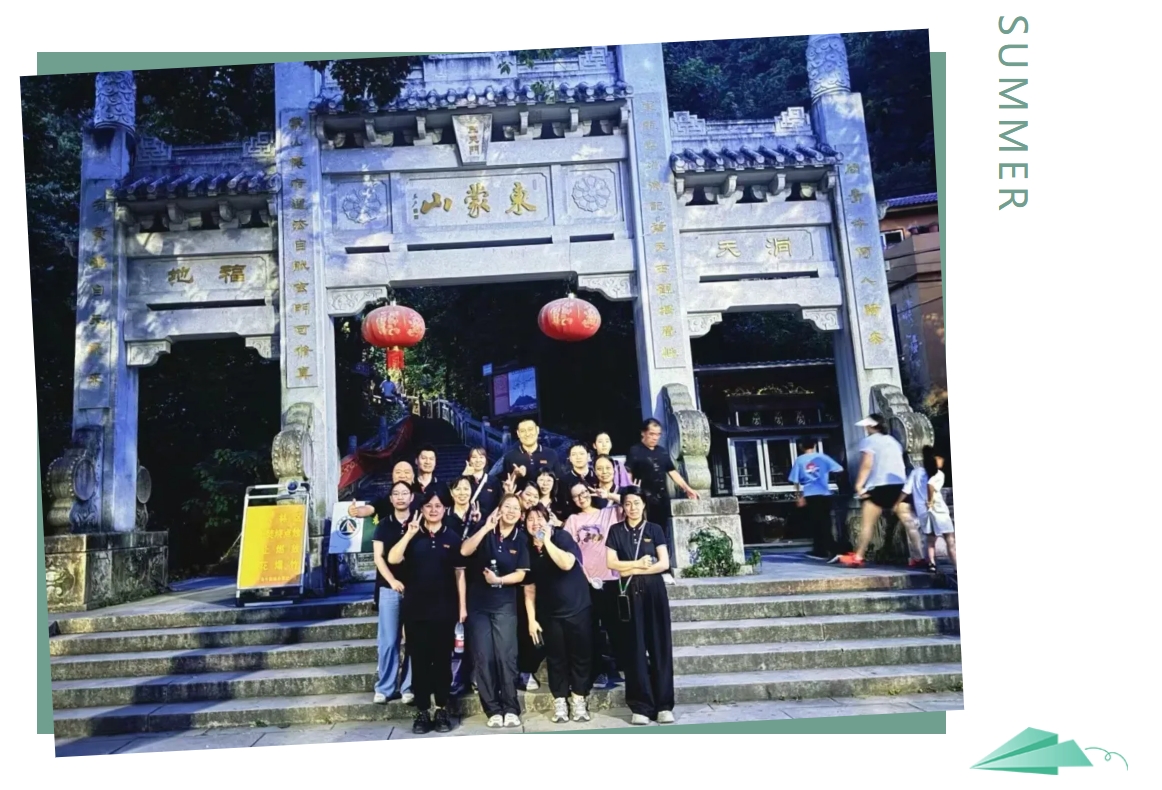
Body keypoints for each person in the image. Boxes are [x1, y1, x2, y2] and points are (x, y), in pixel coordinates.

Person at [386, 489, 467, 735]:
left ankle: (441, 709)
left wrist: (462, 606)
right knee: (419, 661)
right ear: (421, 509)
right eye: (429, 506)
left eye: (438, 506)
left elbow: (460, 574)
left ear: (445, 509)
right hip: (416, 610)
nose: (433, 510)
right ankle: (422, 711)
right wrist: (409, 534)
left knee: (442, 661)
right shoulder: (412, 534)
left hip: (444, 609)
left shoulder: (452, 537)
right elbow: (393, 558)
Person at [605, 487, 675, 725]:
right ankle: (641, 706)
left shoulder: (654, 529)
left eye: (636, 503)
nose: (632, 508)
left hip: (654, 591)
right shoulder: (615, 531)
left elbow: (663, 563)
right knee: (634, 648)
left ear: (644, 504)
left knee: (659, 646)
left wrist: (632, 569)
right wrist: (638, 564)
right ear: (622, 507)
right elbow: (611, 563)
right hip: (628, 593)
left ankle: (664, 705)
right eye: (627, 503)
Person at [459, 493, 530, 728]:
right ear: (499, 509)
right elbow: (465, 551)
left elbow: (521, 574)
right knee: (483, 657)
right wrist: (485, 528)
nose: (511, 511)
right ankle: (492, 709)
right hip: (478, 606)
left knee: (506, 656)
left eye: (516, 508)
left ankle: (510, 707)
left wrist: (499, 580)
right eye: (507, 506)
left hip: (504, 605)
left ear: (520, 514)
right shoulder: (485, 529)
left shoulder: (520, 538)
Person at [523, 504, 594, 723]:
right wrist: (532, 620)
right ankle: (560, 701)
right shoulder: (526, 548)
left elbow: (566, 563)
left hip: (577, 609)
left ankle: (579, 699)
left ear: (548, 521)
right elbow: (529, 588)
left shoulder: (562, 537)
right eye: (530, 519)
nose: (535, 523)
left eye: (540, 519)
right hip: (550, 614)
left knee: (580, 656)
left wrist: (546, 541)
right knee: (556, 659)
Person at [348, 480, 414, 705]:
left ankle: (408, 686)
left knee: (414, 639)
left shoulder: (419, 522)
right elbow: (378, 557)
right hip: (389, 589)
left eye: (405, 493)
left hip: (415, 590)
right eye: (396, 494)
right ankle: (385, 687)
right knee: (388, 640)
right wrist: (393, 581)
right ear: (391, 499)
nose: (401, 497)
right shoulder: (385, 524)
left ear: (411, 497)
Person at [563, 482, 624, 688]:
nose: (581, 498)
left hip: (610, 578)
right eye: (576, 496)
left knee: (616, 626)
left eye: (584, 493)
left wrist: (609, 495)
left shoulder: (607, 513)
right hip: (585, 581)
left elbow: (631, 503)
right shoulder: (573, 520)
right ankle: (599, 671)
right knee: (591, 629)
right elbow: (566, 547)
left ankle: (623, 666)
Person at [625, 419, 699, 584]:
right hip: (642, 501)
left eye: (658, 434)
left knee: (661, 534)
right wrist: (630, 493)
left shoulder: (662, 452)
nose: (655, 437)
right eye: (651, 434)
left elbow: (672, 472)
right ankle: (643, 568)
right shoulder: (635, 451)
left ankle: (663, 568)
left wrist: (687, 488)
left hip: (661, 499)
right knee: (643, 534)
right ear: (643, 433)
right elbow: (628, 474)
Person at [836, 414, 909, 568]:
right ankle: (920, 556)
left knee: (867, 524)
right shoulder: (894, 441)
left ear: (871, 426)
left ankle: (859, 555)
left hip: (878, 486)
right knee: (909, 523)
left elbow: (867, 464)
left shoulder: (868, 441)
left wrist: (859, 485)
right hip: (899, 486)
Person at [787, 439, 844, 561]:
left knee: (816, 524)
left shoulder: (800, 460)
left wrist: (799, 496)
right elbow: (839, 469)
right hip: (824, 493)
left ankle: (831, 550)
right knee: (825, 522)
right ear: (814, 445)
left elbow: (795, 480)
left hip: (810, 494)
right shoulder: (822, 457)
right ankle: (820, 550)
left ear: (801, 446)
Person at [920, 446, 956, 572]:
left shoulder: (922, 474)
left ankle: (932, 563)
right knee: (950, 539)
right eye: (939, 458)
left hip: (928, 511)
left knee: (931, 539)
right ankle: (955, 565)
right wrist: (930, 501)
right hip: (939, 510)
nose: (942, 461)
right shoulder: (939, 474)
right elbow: (930, 485)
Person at [502, 417, 561, 490]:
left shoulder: (551, 454)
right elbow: (506, 486)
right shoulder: (509, 457)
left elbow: (558, 481)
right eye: (523, 431)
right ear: (518, 434)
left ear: (537, 430)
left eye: (530, 429)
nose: (527, 434)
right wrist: (515, 474)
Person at [899, 462, 932, 570]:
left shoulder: (915, 472)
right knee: (928, 533)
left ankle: (920, 557)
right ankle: (928, 559)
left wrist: (897, 502)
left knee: (915, 529)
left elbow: (906, 490)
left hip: (917, 504)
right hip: (931, 505)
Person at [559, 442, 596, 516]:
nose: (578, 457)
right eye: (574, 454)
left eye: (581, 454)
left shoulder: (597, 477)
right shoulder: (563, 481)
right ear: (569, 458)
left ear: (588, 456)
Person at [463, 446, 500, 519]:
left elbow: (499, 503)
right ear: (469, 460)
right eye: (474, 457)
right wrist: (464, 476)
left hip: (487, 522)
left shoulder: (493, 481)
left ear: (486, 460)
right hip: (466, 521)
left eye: (481, 457)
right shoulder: (462, 479)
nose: (478, 460)